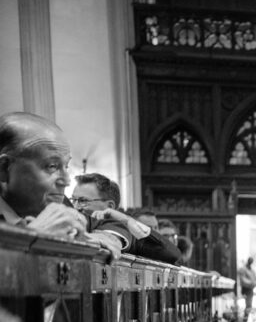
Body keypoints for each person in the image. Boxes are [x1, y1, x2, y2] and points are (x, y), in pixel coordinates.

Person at [0, 112, 120, 257]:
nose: (66, 181)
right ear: (4, 168)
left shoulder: (61, 204)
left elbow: (110, 224)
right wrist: (32, 237)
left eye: (66, 166)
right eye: (52, 166)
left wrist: (102, 237)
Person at [71, 173, 181, 264]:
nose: (75, 207)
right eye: (73, 200)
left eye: (83, 201)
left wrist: (126, 220)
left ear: (109, 206)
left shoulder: (117, 225)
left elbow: (173, 253)